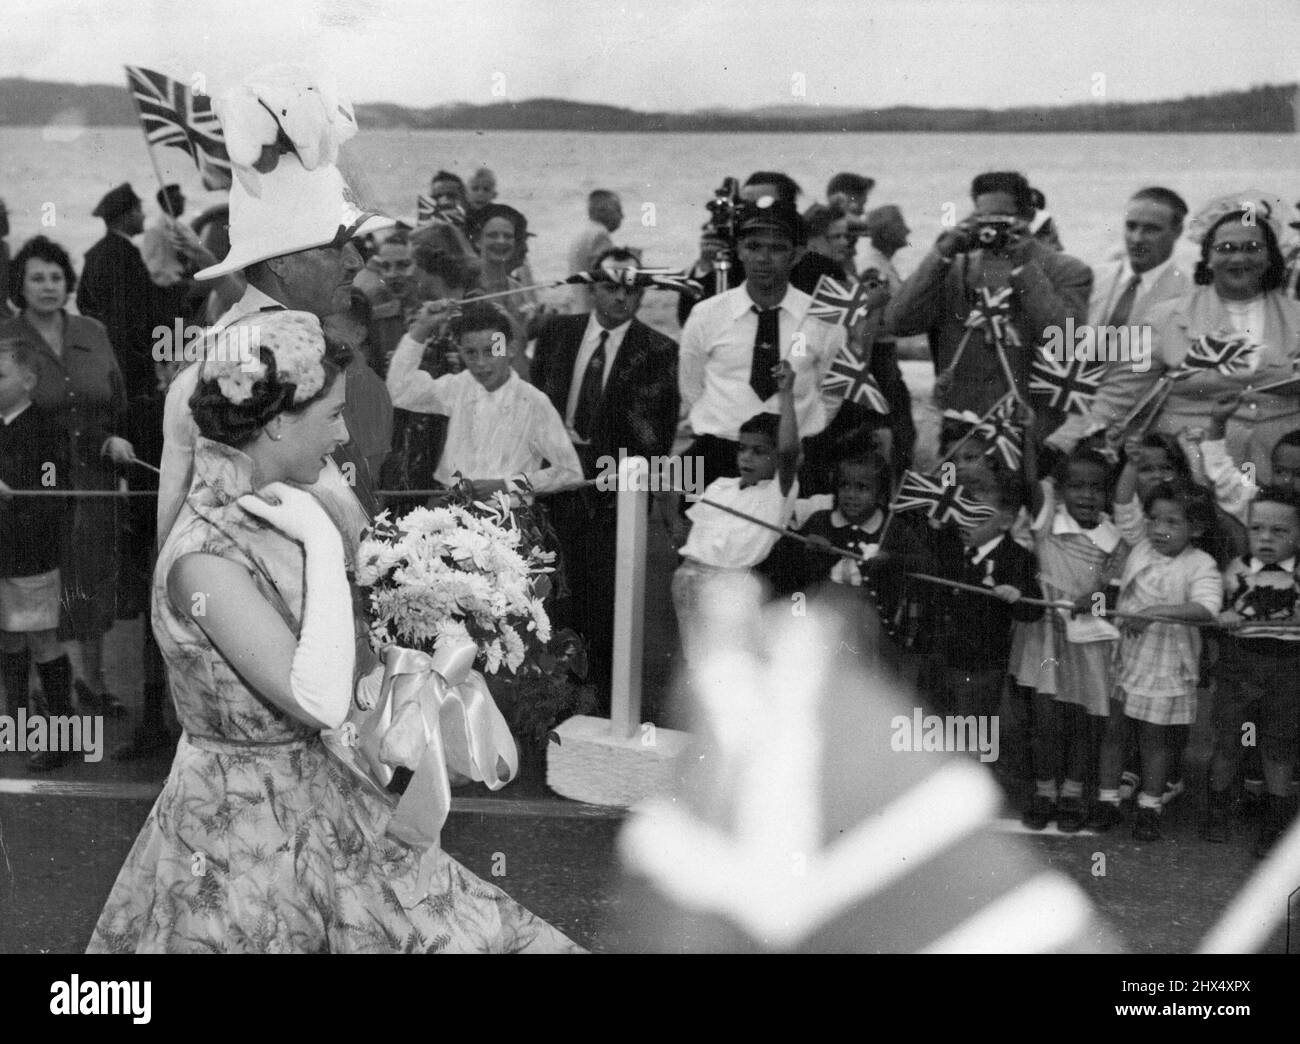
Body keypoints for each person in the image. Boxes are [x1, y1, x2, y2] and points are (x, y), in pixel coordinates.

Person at [87, 310, 579, 952]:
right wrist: (323, 542)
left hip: (319, 796)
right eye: (332, 415)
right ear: (276, 422)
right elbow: (311, 699)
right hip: (241, 835)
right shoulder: (203, 558)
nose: (344, 433)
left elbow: (337, 666)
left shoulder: (273, 509)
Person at [159, 65, 395, 552]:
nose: (355, 261)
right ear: (283, 264)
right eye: (336, 246)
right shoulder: (246, 362)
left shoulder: (262, 342)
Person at [531, 248, 679, 701]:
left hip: (610, 495)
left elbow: (655, 437)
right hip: (551, 486)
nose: (620, 298)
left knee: (605, 599)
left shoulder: (659, 351)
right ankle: (544, 692)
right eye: (610, 287)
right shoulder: (557, 332)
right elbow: (535, 404)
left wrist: (590, 466)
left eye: (630, 290)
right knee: (547, 591)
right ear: (592, 287)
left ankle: (600, 694)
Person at [1057, 194, 1300, 471]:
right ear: (1207, 258)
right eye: (1226, 248)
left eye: (1252, 248)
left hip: (1281, 474)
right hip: (1190, 471)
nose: (1238, 257)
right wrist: (1062, 443)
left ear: (1270, 257)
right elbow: (1118, 395)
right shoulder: (1166, 317)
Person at [1, 235, 136, 717]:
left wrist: (114, 438)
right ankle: (42, 688)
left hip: (93, 476)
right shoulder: (5, 337)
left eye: (56, 277)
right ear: (20, 283)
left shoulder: (92, 330)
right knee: (35, 583)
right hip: (29, 483)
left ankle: (92, 684)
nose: (48, 286)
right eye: (37, 277)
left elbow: (116, 397)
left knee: (92, 578)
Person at [885, 171, 1091, 441]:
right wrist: (941, 255)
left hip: (1030, 425)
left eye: (1002, 220)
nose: (993, 230)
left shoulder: (1067, 271)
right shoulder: (954, 271)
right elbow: (898, 322)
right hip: (962, 424)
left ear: (1027, 217)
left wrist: (1024, 266)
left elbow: (1067, 342)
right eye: (984, 220)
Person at [676, 196, 843, 493]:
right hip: (721, 455)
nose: (763, 258)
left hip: (796, 457)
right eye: (753, 247)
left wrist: (805, 430)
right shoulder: (706, 315)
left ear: (798, 254)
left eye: (777, 248)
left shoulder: (821, 318)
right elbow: (691, 387)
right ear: (739, 250)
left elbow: (832, 391)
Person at [1095, 456, 1222, 842]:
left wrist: (1155, 611)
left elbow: (1207, 609)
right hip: (1129, 658)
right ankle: (1107, 799)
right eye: (1154, 519)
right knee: (1114, 729)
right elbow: (1123, 503)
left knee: (1155, 739)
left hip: (1167, 666)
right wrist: (1133, 460)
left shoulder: (1200, 564)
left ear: (1195, 528)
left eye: (1172, 522)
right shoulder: (1140, 546)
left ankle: (1150, 804)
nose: (1159, 529)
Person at [1011, 448, 1127, 832]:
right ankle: (1045, 791)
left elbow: (1112, 593)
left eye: (1096, 488)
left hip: (1088, 641)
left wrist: (1088, 602)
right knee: (1046, 720)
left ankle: (1073, 792)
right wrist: (1030, 437)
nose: (1087, 495)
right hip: (1045, 636)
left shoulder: (1115, 541)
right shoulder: (1048, 525)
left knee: (1082, 721)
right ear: (1060, 492)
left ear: (1107, 494)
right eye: (1076, 487)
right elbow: (1031, 484)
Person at [385, 301, 582, 500]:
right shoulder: (458, 387)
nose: (480, 363)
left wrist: (508, 485)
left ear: (510, 349)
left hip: (507, 516)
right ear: (460, 351)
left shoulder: (534, 402)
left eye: (491, 351)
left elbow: (571, 472)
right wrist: (422, 328)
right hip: (450, 508)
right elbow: (400, 391)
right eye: (471, 353)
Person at [1046, 187, 1195, 452]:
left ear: (1177, 232)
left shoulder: (1186, 300)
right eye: (1131, 226)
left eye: (1151, 229)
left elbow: (1129, 388)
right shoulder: (1090, 278)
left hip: (1121, 437)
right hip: (1054, 413)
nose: (1137, 238)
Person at [673, 364, 800, 650]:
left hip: (732, 583)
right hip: (689, 579)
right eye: (742, 448)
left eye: (759, 451)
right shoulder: (720, 487)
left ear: (776, 458)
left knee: (731, 661)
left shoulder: (777, 492)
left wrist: (787, 394)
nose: (747, 457)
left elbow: (790, 450)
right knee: (697, 662)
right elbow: (684, 534)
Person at [1204, 486, 1300, 855]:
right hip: (1239, 665)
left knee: (1278, 746)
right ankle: (1218, 809)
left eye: (1280, 531)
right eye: (1258, 529)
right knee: (1229, 740)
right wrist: (1223, 616)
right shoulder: (1237, 569)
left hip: (1288, 670)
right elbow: (1219, 609)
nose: (1266, 538)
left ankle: (1274, 824)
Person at [0, 340, 74, 769]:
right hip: (3, 553)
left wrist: (14, 497)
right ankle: (16, 722)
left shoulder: (45, 428)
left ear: (28, 381)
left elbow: (51, 492)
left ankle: (64, 736)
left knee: (42, 639)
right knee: (7, 635)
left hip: (31, 553)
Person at [930, 470, 1044, 730]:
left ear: (1005, 521)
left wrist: (1018, 597)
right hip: (941, 656)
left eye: (977, 516)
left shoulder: (1016, 557)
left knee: (975, 731)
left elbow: (1033, 609)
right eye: (962, 513)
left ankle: (977, 769)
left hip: (983, 665)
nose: (965, 523)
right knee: (934, 726)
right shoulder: (949, 545)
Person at [75, 182, 189, 400]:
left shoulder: (96, 253)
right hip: (132, 356)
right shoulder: (125, 255)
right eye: (138, 210)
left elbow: (83, 302)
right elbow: (143, 307)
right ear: (124, 216)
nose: (143, 215)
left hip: (108, 350)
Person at [677, 171, 803, 325]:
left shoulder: (812, 264)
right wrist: (706, 265)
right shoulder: (734, 259)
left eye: (761, 204)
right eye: (744, 206)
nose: (751, 212)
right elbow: (689, 320)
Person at [855, 204, 918, 473]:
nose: (908, 229)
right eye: (900, 224)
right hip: (879, 358)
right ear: (886, 232)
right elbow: (868, 316)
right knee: (899, 429)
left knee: (901, 428)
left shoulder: (880, 262)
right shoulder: (873, 267)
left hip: (884, 354)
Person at [465, 203, 531, 368]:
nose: (501, 241)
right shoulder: (469, 289)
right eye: (492, 235)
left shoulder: (517, 289)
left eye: (508, 236)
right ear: (478, 241)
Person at [567, 190, 623, 312]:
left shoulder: (584, 233)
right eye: (618, 210)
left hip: (580, 309)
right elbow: (607, 279)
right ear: (603, 211)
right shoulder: (600, 235)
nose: (622, 216)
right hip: (593, 313)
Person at [790, 204, 853, 293]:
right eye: (836, 237)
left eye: (846, 236)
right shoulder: (819, 275)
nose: (845, 242)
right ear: (812, 243)